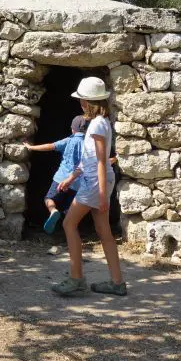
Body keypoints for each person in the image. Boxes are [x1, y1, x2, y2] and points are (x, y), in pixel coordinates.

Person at [51, 76, 127, 297]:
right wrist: (72, 176)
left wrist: (102, 196)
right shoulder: (99, 123)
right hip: (94, 180)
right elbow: (90, 158)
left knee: (68, 223)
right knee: (103, 231)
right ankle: (117, 282)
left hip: (94, 183)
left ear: (88, 102)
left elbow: (102, 161)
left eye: (82, 100)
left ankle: (76, 279)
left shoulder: (96, 125)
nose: (80, 103)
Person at [24, 115, 88, 234]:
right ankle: (69, 231)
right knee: (70, 208)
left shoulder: (68, 140)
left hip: (61, 179)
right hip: (78, 182)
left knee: (49, 198)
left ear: (72, 129)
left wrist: (31, 147)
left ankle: (53, 211)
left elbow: (50, 146)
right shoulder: (89, 143)